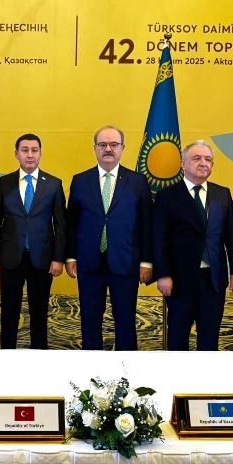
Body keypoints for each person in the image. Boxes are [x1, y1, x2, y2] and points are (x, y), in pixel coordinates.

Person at [66, 126, 153, 350]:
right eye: (103, 145)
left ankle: (126, 368)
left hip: (126, 262)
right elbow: (71, 222)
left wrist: (146, 260)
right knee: (89, 319)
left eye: (113, 144)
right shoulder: (80, 180)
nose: (108, 149)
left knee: (125, 320)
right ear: (95, 148)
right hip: (89, 262)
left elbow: (146, 224)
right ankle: (92, 368)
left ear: (122, 148)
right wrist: (70, 256)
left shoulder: (138, 181)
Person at [153, 140, 233, 350]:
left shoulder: (222, 193)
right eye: (196, 158)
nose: (203, 163)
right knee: (177, 339)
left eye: (208, 159)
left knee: (209, 340)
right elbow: (159, 239)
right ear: (183, 164)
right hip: (179, 281)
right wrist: (163, 274)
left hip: (213, 280)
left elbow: (232, 237)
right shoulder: (167, 196)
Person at [0, 133, 67, 349]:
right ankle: (7, 355)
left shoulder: (53, 184)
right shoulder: (4, 183)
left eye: (34, 150)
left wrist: (58, 259)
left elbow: (61, 225)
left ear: (40, 154)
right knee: (9, 312)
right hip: (10, 259)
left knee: (39, 313)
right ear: (16, 154)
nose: (30, 155)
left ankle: (39, 357)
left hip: (42, 260)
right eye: (25, 150)